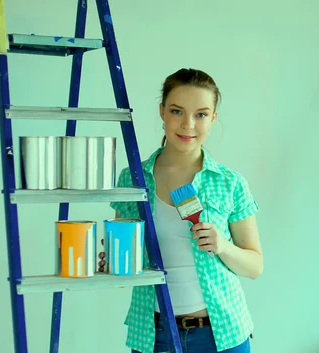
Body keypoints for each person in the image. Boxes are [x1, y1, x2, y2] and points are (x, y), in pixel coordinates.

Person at [110, 68, 263, 353]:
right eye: (177, 111)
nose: (188, 124)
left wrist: (222, 246)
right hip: (154, 334)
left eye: (201, 114)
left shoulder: (230, 183)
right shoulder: (132, 179)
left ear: (213, 117)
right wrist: (112, 263)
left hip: (222, 334)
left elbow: (255, 267)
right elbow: (123, 270)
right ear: (162, 112)